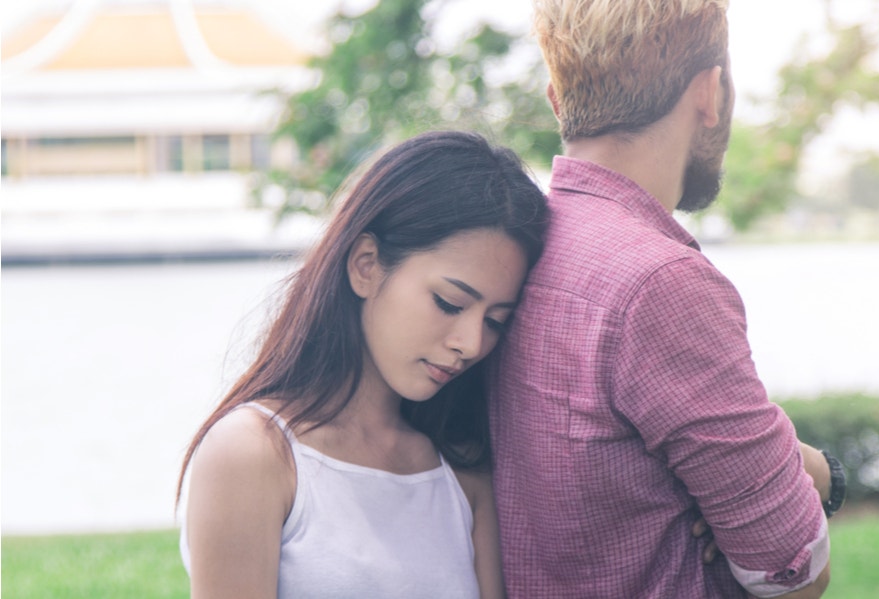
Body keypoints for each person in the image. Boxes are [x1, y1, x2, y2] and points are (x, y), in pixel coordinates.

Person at [488, 1, 841, 597]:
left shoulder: (515, 243)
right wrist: (808, 478)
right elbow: (792, 573)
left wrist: (791, 469)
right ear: (711, 91)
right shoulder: (660, 283)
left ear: (555, 99)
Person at [177, 130, 548, 599]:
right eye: (450, 303)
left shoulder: (462, 468)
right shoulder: (256, 454)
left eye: (496, 322)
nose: (471, 344)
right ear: (366, 265)